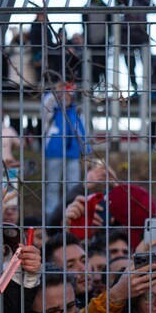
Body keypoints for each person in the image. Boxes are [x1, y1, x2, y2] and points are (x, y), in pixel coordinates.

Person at [41, 80, 89, 220]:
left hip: (73, 154)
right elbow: (46, 105)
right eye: (61, 96)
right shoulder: (51, 111)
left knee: (73, 187)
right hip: (55, 152)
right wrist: (56, 91)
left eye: (67, 96)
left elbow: (83, 132)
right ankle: (51, 217)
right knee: (53, 186)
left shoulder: (77, 113)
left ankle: (72, 215)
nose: (64, 99)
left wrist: (87, 152)